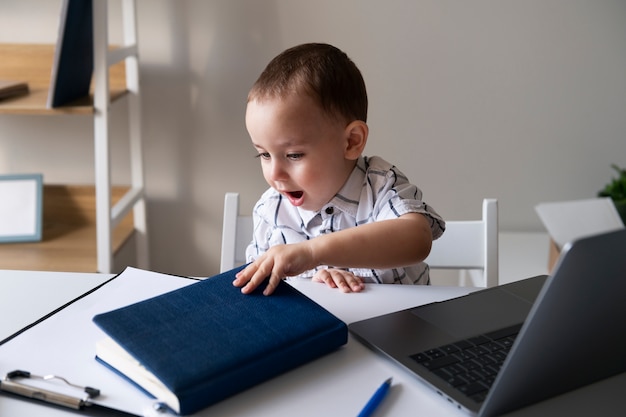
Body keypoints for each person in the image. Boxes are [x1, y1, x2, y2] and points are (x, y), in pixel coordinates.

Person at [232, 43, 445, 296]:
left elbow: (417, 239)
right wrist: (315, 282)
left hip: (404, 329)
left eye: (294, 155)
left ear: (351, 141)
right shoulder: (271, 211)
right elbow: (261, 289)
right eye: (264, 154)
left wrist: (313, 253)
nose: (275, 174)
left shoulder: (379, 184)